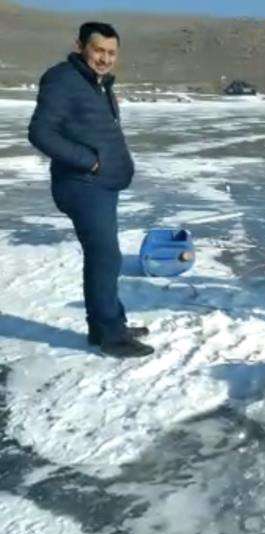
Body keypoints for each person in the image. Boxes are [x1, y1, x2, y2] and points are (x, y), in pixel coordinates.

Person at [28, 22, 154, 358]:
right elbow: (40, 133)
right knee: (104, 257)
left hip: (100, 185)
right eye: (98, 50)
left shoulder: (97, 84)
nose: (104, 58)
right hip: (81, 185)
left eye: (111, 53)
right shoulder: (62, 80)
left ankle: (108, 324)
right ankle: (109, 336)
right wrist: (90, 161)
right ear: (81, 45)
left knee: (106, 257)